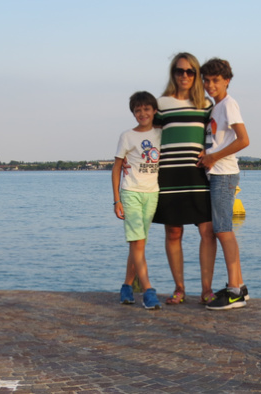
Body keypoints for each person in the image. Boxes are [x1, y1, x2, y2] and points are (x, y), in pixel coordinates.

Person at [152, 52, 217, 305]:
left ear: (197, 75)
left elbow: (216, 138)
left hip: (197, 174)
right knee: (173, 233)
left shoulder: (206, 105)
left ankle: (206, 290)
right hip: (168, 175)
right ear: (173, 74)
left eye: (191, 72)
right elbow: (151, 141)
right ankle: (179, 288)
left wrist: (211, 154)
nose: (185, 76)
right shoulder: (161, 104)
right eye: (180, 71)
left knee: (207, 231)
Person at [198, 58, 250, 310]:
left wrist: (212, 157)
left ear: (227, 80)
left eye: (215, 80)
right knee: (223, 229)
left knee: (223, 230)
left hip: (223, 174)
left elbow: (243, 140)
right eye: (206, 80)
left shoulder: (229, 105)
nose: (210, 85)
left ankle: (234, 292)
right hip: (217, 174)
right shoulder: (215, 107)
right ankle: (239, 285)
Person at [112, 91, 162, 310]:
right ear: (133, 113)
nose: (142, 113)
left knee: (137, 244)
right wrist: (117, 200)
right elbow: (116, 169)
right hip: (130, 192)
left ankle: (126, 286)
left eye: (146, 109)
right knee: (138, 243)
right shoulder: (127, 136)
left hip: (151, 193)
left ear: (154, 111)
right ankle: (148, 290)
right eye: (138, 110)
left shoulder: (161, 133)